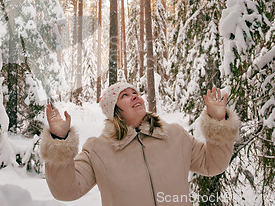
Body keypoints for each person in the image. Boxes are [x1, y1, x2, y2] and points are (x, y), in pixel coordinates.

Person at [39, 82, 240, 206]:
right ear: (113, 110)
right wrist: (59, 140)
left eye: (134, 92)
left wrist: (218, 122)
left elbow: (212, 164)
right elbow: (66, 191)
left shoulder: (175, 135)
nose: (134, 96)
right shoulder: (97, 150)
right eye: (124, 96)